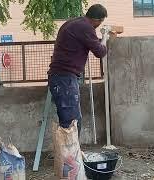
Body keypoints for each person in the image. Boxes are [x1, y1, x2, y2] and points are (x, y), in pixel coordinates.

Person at [48, 4, 109, 136]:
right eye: (101, 22)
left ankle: (70, 154)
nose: (99, 25)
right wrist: (105, 39)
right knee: (72, 122)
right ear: (97, 20)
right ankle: (70, 156)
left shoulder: (73, 23)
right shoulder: (86, 27)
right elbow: (100, 52)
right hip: (65, 78)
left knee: (70, 120)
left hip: (59, 77)